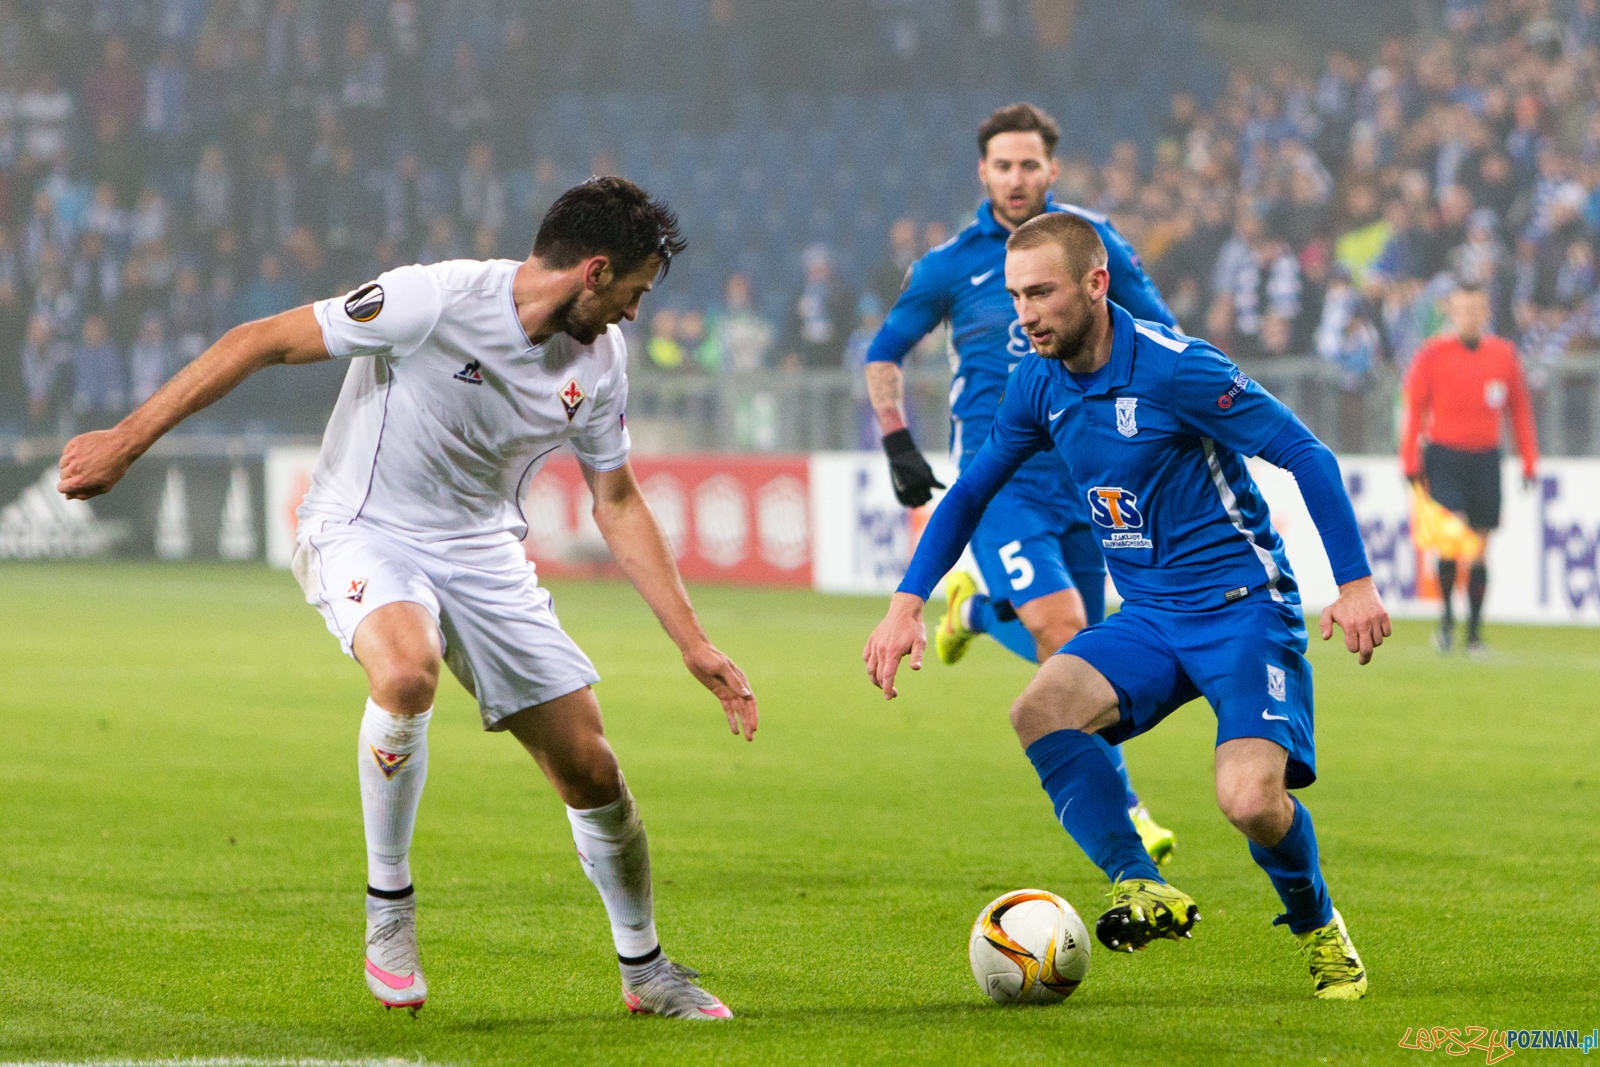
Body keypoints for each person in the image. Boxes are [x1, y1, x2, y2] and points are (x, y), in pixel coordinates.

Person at [56, 177, 756, 1021]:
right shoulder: (431, 299)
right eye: (635, 293)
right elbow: (261, 339)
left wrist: (693, 642)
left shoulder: (599, 365)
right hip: (365, 526)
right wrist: (125, 442)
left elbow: (616, 500)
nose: (634, 315)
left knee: (591, 767)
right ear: (595, 272)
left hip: (483, 550)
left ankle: (645, 969)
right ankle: (389, 910)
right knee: (406, 669)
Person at [864, 211, 1388, 1000]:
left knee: (1249, 802)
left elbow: (1303, 451)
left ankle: (1318, 924)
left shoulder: (1177, 370)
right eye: (1015, 296)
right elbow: (972, 490)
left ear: (1096, 283)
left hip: (1243, 608)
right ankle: (1141, 884)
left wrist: (1353, 584)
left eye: (1041, 292)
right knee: (1038, 710)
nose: (1025, 313)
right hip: (1148, 614)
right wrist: (906, 602)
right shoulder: (1038, 382)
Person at [863, 102, 1178, 864]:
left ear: (1052, 170)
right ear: (982, 171)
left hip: (1092, 478)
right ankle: (1127, 809)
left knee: (1085, 645)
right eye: (1002, 165)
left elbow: (1162, 331)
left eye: (1029, 164)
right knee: (1064, 630)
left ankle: (972, 616)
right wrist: (898, 437)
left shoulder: (1095, 247)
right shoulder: (949, 265)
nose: (1015, 178)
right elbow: (883, 351)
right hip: (1000, 479)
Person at [1400, 283, 1538, 654]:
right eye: (1462, 309)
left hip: (1485, 457)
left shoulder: (1504, 356)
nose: (1470, 316)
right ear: (1451, 312)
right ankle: (1446, 621)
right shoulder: (1432, 355)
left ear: (1486, 313)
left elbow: (1519, 410)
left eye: (1476, 309)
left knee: (1478, 546)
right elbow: (1414, 407)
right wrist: (1409, 460)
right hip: (1444, 455)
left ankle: (1473, 633)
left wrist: (1529, 460)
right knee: (1450, 537)